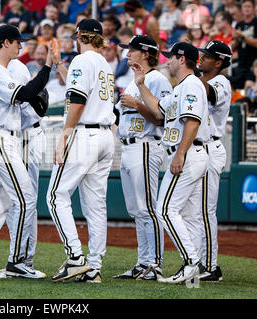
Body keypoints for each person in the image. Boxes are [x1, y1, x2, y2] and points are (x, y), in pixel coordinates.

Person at [129, 42, 210, 284]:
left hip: (189, 152)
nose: (167, 61)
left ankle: (191, 263)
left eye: (171, 57)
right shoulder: (180, 87)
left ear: (182, 59)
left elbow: (193, 121)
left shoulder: (193, 84)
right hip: (188, 152)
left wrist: (180, 154)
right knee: (183, 213)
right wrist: (141, 85)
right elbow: (158, 110)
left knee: (165, 209)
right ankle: (192, 268)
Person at [0, 27, 48, 279]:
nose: (21, 46)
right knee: (26, 198)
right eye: (17, 42)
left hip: (1, 140)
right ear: (5, 43)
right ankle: (16, 262)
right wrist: (47, 68)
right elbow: (25, 94)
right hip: (3, 140)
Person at [46, 19, 115, 284]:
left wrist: (65, 134)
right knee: (96, 206)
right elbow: (80, 89)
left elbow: (78, 100)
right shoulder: (103, 64)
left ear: (80, 37)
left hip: (84, 134)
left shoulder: (82, 61)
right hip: (105, 135)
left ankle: (75, 257)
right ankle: (94, 267)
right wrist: (59, 64)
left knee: (55, 196)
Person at [113, 35, 172, 281]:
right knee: (137, 209)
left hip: (146, 144)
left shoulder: (158, 79)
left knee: (148, 207)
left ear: (146, 53)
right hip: (129, 147)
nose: (127, 54)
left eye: (132, 50)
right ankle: (142, 262)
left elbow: (162, 117)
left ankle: (154, 264)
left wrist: (137, 104)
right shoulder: (132, 80)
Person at [197, 40, 232, 282]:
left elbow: (209, 94)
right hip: (198, 150)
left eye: (206, 56)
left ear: (218, 62)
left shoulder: (221, 82)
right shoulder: (198, 80)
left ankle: (211, 266)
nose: (201, 58)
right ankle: (199, 261)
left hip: (211, 149)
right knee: (193, 211)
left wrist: (187, 72)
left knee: (205, 211)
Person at [231, 0, 257, 89]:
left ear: (253, 8)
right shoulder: (239, 24)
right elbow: (232, 46)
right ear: (241, 9)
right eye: (245, 6)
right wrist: (237, 39)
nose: (246, 9)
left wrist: (242, 37)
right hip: (241, 64)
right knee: (237, 89)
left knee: (250, 89)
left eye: (249, 6)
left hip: (254, 64)